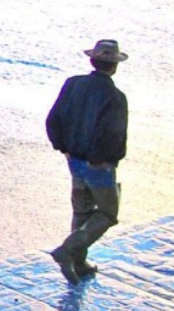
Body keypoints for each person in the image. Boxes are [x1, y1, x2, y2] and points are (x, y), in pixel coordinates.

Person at [45, 39, 128, 284]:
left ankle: (79, 263)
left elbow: (53, 119)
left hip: (74, 159)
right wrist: (99, 160)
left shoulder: (73, 84)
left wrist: (63, 148)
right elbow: (111, 134)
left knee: (82, 210)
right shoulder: (115, 97)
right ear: (113, 67)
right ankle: (68, 250)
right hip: (98, 165)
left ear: (92, 61)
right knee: (107, 213)